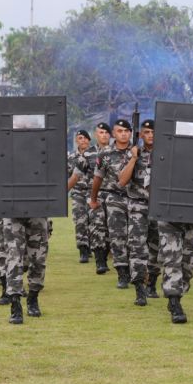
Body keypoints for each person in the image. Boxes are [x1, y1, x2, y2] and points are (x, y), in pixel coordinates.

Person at [0, 162, 49, 324]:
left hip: (38, 209)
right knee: (14, 256)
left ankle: (33, 297)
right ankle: (15, 303)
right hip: (11, 209)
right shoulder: (5, 144)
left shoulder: (43, 142)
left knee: (38, 258)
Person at [119, 119, 159, 306]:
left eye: (153, 132)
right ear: (141, 135)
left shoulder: (165, 154)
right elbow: (122, 181)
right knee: (137, 246)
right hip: (137, 205)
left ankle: (152, 283)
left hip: (158, 206)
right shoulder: (133, 153)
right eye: (147, 132)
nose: (150, 135)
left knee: (156, 247)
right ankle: (139, 289)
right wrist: (134, 158)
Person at [92, 119, 133, 289]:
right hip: (114, 198)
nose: (123, 133)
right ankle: (122, 273)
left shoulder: (138, 152)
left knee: (137, 237)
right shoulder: (105, 154)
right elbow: (98, 178)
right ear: (114, 134)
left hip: (136, 199)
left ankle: (137, 269)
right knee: (117, 236)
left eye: (126, 130)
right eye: (120, 131)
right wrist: (93, 199)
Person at [67, 122, 111, 274]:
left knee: (112, 231)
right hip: (90, 195)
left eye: (106, 132)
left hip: (115, 197)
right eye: (101, 132)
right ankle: (98, 260)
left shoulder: (118, 152)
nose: (104, 135)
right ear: (96, 135)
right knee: (95, 224)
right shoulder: (87, 155)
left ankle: (110, 256)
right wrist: (62, 193)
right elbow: (74, 175)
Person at [68, 130, 92, 263]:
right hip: (78, 193)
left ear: (89, 140)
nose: (83, 140)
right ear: (76, 140)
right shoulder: (71, 158)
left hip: (93, 192)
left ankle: (94, 246)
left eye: (85, 138)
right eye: (80, 138)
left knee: (94, 221)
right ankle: (83, 249)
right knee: (80, 220)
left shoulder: (95, 155)